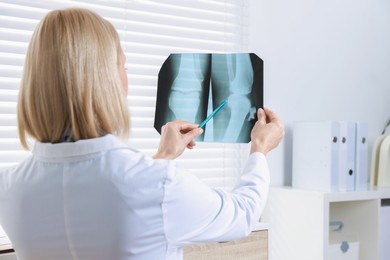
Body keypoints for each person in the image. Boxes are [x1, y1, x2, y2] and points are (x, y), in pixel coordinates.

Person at [0, 8, 284, 260]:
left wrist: (163, 156)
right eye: (123, 66)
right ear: (105, 80)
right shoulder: (156, 184)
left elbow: (97, 191)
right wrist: (259, 148)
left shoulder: (9, 187)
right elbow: (242, 214)